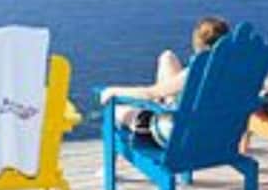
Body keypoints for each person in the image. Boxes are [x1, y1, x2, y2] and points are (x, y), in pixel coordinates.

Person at [99, 16, 231, 144]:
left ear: (197, 42)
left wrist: (112, 91)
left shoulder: (198, 72)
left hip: (180, 135)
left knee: (117, 110)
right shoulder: (233, 70)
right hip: (216, 131)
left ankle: (151, 118)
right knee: (167, 57)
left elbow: (150, 93)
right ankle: (160, 106)